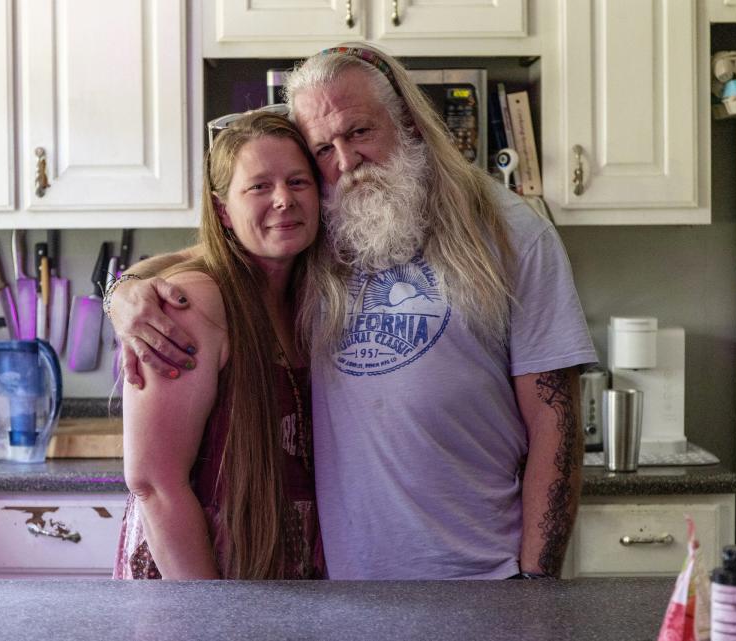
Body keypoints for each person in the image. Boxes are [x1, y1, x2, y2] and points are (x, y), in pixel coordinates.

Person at [108, 43, 597, 580]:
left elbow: (556, 420)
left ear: (406, 120)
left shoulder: (512, 231)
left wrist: (536, 580)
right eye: (321, 148)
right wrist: (125, 289)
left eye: (360, 131)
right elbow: (220, 248)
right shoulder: (326, 217)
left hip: (483, 574)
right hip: (340, 587)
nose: (345, 161)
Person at [113, 111, 325, 580]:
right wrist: (210, 618)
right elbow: (153, 484)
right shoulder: (193, 302)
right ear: (224, 210)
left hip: (285, 572)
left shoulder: (309, 298)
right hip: (201, 577)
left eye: (298, 182)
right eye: (259, 187)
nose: (284, 200)